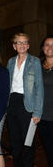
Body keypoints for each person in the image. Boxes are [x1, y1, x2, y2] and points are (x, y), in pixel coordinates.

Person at [7, 33, 44, 167]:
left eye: (24, 42)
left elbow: (39, 87)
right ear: (14, 46)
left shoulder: (35, 61)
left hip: (27, 104)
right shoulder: (10, 62)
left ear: (28, 45)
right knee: (15, 141)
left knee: (28, 141)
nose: (22, 45)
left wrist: (37, 112)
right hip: (12, 103)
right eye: (19, 42)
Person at [38, 35, 53, 167]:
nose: (50, 47)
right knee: (48, 149)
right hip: (42, 116)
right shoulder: (38, 66)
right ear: (43, 48)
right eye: (47, 44)